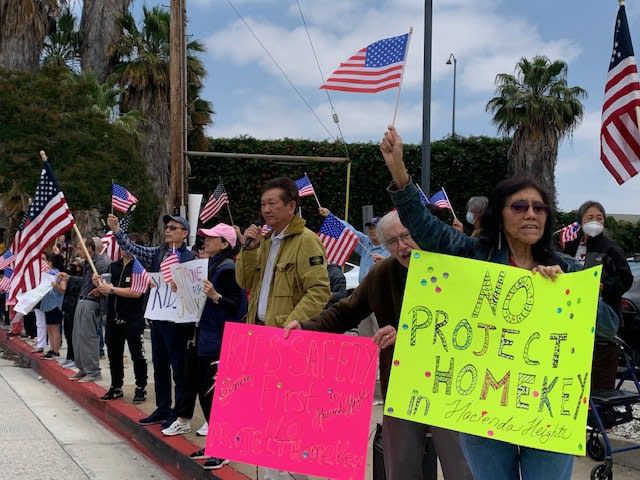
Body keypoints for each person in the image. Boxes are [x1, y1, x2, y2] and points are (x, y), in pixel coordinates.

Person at [380, 125, 580, 480]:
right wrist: (399, 171)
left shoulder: (566, 269)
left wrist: (568, 296)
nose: (531, 214)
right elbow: (426, 228)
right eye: (519, 206)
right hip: (483, 410)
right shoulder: (474, 256)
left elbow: (608, 324)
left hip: (546, 414)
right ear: (500, 215)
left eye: (539, 207)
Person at [284, 210, 473, 480]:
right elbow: (345, 311)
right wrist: (305, 326)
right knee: (401, 467)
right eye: (393, 241)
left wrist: (408, 335)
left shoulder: (454, 269)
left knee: (462, 468)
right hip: (401, 384)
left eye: (407, 236)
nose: (402, 246)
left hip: (453, 386)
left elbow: (471, 328)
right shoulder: (382, 273)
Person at [236, 177, 330, 480]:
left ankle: (291, 473)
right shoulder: (264, 242)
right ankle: (270, 472)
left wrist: (296, 321)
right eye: (263, 204)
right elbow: (244, 281)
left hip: (286, 339)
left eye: (272, 203)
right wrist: (248, 248)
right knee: (263, 412)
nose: (265, 210)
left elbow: (319, 291)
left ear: (291, 206)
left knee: (288, 414)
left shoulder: (306, 241)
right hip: (258, 335)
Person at [163, 223, 244, 471]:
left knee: (213, 394)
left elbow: (237, 306)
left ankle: (223, 449)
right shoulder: (210, 265)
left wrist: (215, 297)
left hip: (217, 340)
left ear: (225, 243)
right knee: (202, 391)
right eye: (205, 237)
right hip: (202, 338)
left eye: (211, 238)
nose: (205, 241)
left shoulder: (228, 268)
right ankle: (214, 444)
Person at [108, 212, 197, 426]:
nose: (168, 231)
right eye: (167, 227)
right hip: (158, 317)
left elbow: (196, 290)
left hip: (178, 321)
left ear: (184, 233)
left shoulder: (191, 259)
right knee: (159, 365)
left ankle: (180, 413)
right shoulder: (159, 253)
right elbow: (133, 249)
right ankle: (163, 407)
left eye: (174, 228)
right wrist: (118, 231)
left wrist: (181, 286)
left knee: (178, 368)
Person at [563, 200, 633, 389]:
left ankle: (601, 416)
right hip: (572, 319)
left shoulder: (611, 248)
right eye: (590, 217)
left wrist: (604, 286)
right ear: (581, 220)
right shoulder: (570, 246)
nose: (595, 221)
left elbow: (626, 278)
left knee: (600, 379)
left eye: (599, 217)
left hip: (602, 320)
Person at [318, 207, 389, 336]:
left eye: (374, 228)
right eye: (370, 228)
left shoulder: (390, 247)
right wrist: (330, 216)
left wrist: (385, 263)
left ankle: (381, 354)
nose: (371, 230)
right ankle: (368, 353)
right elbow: (348, 231)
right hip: (364, 293)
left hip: (382, 295)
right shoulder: (365, 242)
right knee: (365, 332)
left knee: (381, 330)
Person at [92, 248, 148, 403]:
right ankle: (116, 386)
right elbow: (106, 291)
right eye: (122, 245)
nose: (124, 249)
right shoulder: (113, 266)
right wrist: (99, 285)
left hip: (133, 318)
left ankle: (140, 387)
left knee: (137, 355)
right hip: (113, 318)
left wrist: (111, 289)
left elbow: (137, 292)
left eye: (128, 245)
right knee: (114, 354)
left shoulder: (139, 267)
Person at [58, 237, 110, 383]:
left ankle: (93, 371)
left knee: (88, 338)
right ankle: (83, 368)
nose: (78, 251)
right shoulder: (89, 263)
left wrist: (98, 290)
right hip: (82, 300)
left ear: (90, 248)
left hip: (92, 303)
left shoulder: (101, 264)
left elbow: (105, 284)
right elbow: (85, 282)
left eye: (81, 248)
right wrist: (70, 277)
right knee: (78, 337)